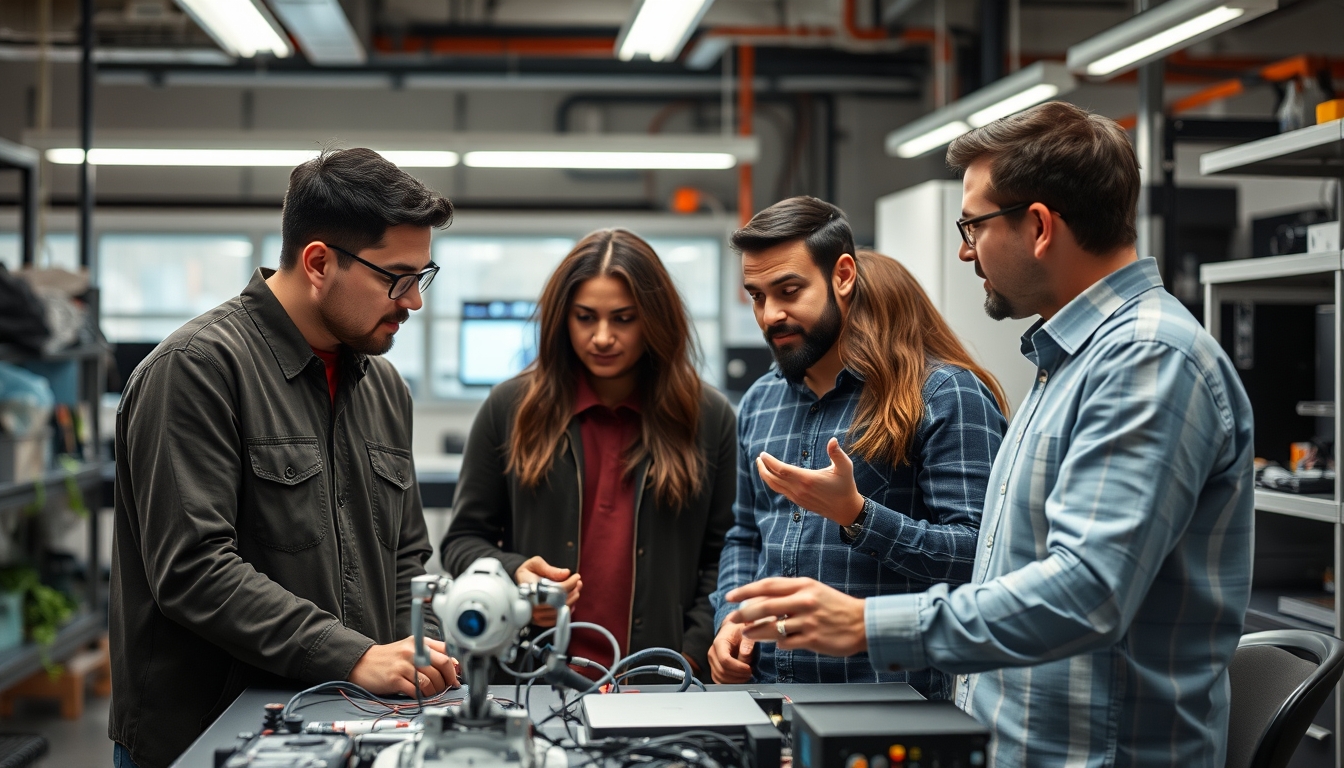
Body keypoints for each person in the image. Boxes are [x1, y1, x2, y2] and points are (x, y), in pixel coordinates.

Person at [726, 102, 1255, 768]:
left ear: (1037, 226)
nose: (963, 249)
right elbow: (1004, 568)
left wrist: (866, 623)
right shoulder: (1069, 363)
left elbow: (1088, 595)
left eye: (972, 224)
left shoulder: (1148, 360)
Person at [109, 148, 460, 768]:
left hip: (354, 728)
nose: (413, 302)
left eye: (422, 277)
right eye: (396, 278)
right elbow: (193, 570)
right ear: (319, 262)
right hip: (207, 737)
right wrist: (351, 655)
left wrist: (452, 629)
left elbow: (405, 557)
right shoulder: (196, 370)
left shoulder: (384, 388)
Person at [709, 197, 1008, 697]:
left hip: (891, 707)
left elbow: (981, 554)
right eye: (757, 296)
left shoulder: (942, 394)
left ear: (843, 276)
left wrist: (858, 515)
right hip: (766, 699)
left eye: (788, 290)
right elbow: (744, 534)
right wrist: (730, 619)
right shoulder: (760, 401)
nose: (770, 315)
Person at [441, 228, 736, 679]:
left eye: (623, 319)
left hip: (659, 681)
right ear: (563, 319)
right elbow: (461, 544)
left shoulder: (708, 417)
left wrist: (691, 654)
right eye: (585, 317)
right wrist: (517, 574)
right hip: (533, 678)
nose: (602, 337)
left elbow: (725, 555)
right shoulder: (510, 408)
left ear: (654, 320)